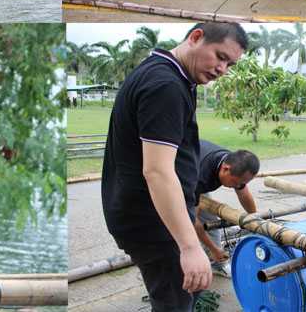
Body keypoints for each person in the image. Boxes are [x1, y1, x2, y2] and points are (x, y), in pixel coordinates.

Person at [102, 23, 249, 312]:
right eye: (220, 56)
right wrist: (191, 246)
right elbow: (157, 171)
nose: (222, 69)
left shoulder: (172, 76)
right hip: (152, 221)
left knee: (184, 296)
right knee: (175, 304)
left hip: (151, 216)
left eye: (229, 64)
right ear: (196, 37)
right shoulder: (165, 85)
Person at [192, 141, 258, 262]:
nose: (237, 186)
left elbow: (243, 193)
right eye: (235, 182)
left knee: (209, 220)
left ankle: (216, 262)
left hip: (196, 171)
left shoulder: (234, 163)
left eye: (242, 183)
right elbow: (192, 220)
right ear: (225, 169)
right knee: (179, 228)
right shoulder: (200, 178)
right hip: (174, 179)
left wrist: (256, 220)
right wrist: (213, 249)